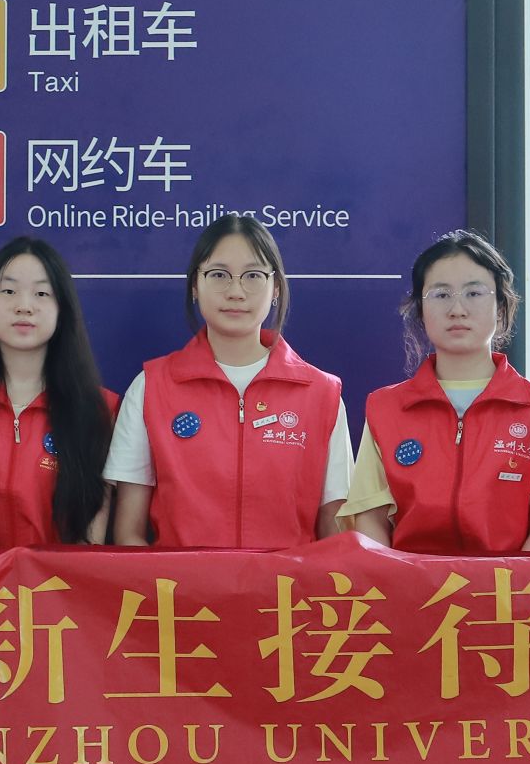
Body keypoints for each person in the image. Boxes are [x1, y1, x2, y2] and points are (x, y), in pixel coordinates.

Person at [104, 213, 352, 548]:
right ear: (195, 285)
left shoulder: (322, 394)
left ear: (276, 288)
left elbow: (336, 536)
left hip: (286, 584)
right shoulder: (151, 388)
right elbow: (128, 533)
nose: (236, 291)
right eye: (219, 275)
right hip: (180, 583)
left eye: (253, 276)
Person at [344, 230, 530, 552]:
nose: (457, 309)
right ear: (420, 309)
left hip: (509, 581)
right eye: (441, 294)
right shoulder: (385, 407)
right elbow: (370, 518)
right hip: (409, 581)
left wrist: (509, 581)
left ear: (501, 307)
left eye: (474, 293)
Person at [0, 237, 117, 548]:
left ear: (62, 311)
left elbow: (90, 542)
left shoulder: (100, 410)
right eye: (9, 291)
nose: (24, 306)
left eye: (41, 293)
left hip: (58, 579)